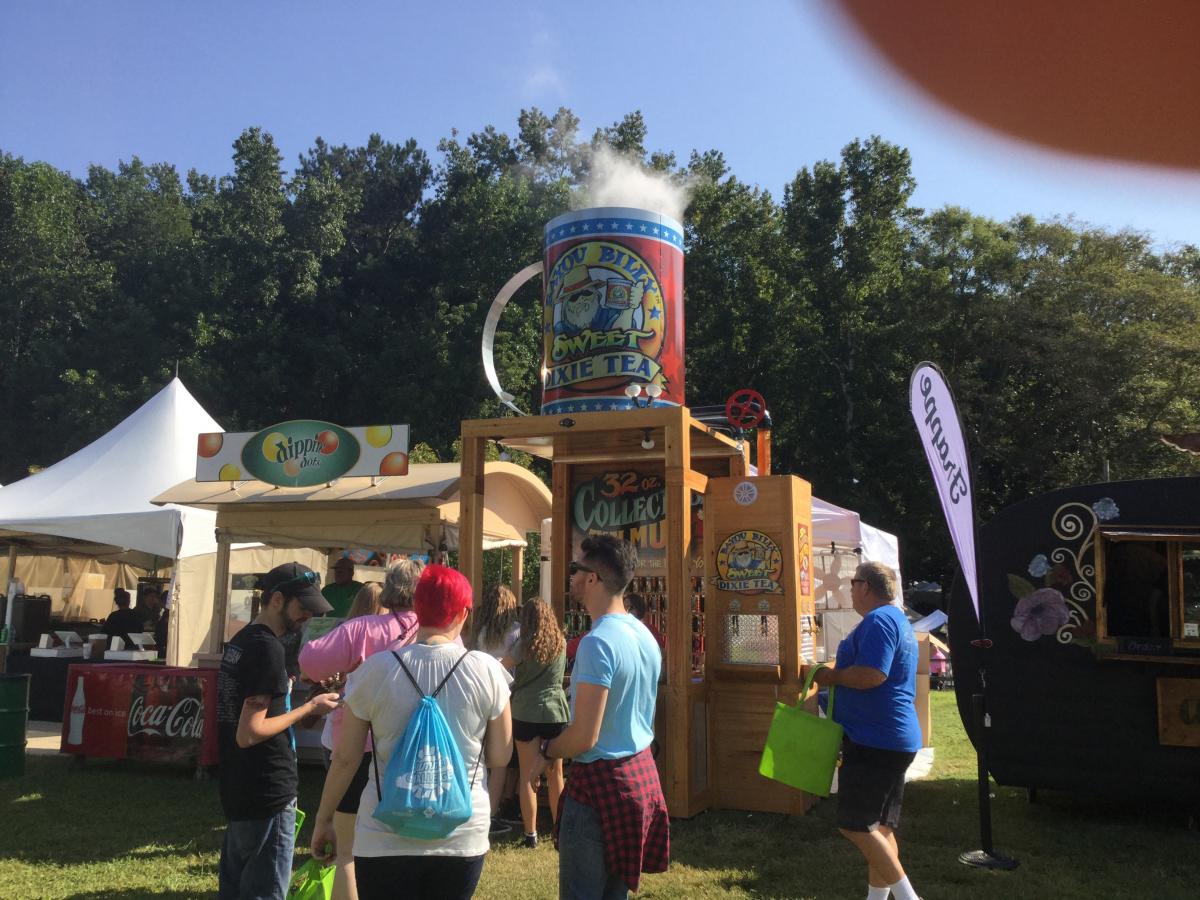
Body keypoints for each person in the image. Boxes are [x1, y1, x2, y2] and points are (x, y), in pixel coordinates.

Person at [311, 565, 512, 900]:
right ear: (463, 613)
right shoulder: (487, 671)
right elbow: (500, 755)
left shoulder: (375, 670)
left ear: (418, 608)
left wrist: (324, 819)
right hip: (461, 832)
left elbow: (345, 759)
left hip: (383, 833)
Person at [540, 535, 669, 900]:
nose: (571, 576)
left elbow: (584, 737)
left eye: (574, 569)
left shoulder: (597, 643)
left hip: (599, 788)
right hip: (639, 777)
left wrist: (547, 750)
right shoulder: (644, 635)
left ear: (592, 578)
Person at [299, 562, 424, 900]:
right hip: (411, 746)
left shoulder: (361, 629)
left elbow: (309, 661)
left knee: (346, 851)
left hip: (355, 745)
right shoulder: (434, 633)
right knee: (403, 846)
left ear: (390, 588)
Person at [217, 561, 340, 900]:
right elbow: (249, 732)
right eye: (303, 607)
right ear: (276, 599)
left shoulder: (242, 640)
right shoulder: (267, 648)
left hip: (240, 787)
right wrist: (309, 708)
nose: (308, 616)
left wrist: (291, 696)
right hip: (267, 789)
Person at [813, 562, 923, 900]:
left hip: (876, 739)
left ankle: (909, 898)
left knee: (856, 825)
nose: (850, 589)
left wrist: (831, 677)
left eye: (853, 583)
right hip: (889, 737)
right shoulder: (894, 619)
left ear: (865, 587)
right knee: (880, 828)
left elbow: (873, 674)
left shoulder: (879, 620)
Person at [504, 598, 569, 849]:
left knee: (527, 774)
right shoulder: (561, 642)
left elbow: (502, 667)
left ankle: (530, 835)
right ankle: (559, 829)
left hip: (526, 710)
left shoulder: (524, 645)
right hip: (555, 711)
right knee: (556, 774)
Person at [468, 584, 521, 832]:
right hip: (507, 694)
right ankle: (491, 812)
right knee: (501, 759)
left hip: (479, 692)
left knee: (479, 752)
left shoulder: (480, 631)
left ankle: (478, 807)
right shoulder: (517, 631)